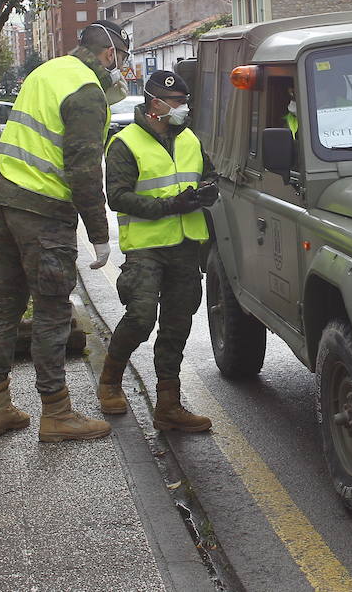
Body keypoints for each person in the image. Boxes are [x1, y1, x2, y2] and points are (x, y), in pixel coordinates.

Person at [0, 20, 131, 442]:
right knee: (52, 311)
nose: (120, 69)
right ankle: (57, 412)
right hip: (42, 211)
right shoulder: (86, 91)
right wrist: (100, 234)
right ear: (109, 55)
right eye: (120, 60)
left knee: (5, 308)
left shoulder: (46, 71)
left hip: (3, 196)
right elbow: (83, 170)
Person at [97, 69, 217, 432]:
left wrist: (209, 189)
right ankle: (110, 381)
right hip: (147, 248)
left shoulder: (189, 139)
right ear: (155, 104)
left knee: (177, 324)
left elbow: (208, 174)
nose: (183, 109)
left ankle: (169, 404)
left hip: (184, 245)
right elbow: (117, 196)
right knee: (141, 317)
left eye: (184, 102)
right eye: (177, 103)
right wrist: (170, 206)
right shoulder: (125, 143)